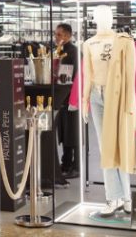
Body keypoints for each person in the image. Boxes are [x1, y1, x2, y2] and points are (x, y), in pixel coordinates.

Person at [55, 23, 79, 179]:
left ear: (68, 35)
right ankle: (66, 162)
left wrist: (73, 97)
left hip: (72, 97)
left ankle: (75, 166)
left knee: (73, 133)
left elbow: (76, 75)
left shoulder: (74, 51)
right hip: (62, 97)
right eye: (56, 34)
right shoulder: (60, 51)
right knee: (64, 132)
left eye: (59, 34)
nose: (56, 37)